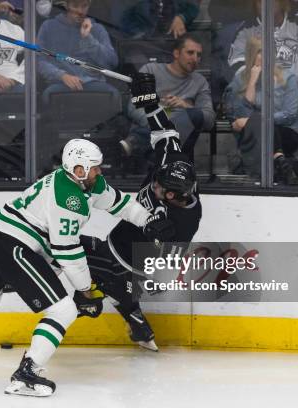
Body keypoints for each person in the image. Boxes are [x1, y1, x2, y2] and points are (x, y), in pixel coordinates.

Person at [0, 138, 168, 397]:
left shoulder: (80, 181)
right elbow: (67, 253)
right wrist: (85, 291)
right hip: (14, 247)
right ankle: (27, 374)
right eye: (95, 167)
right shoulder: (67, 200)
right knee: (63, 310)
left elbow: (119, 203)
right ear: (79, 170)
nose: (100, 171)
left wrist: (147, 220)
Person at [83, 72, 201, 351]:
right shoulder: (174, 163)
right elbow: (166, 133)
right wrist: (150, 103)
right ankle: (134, 318)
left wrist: (142, 278)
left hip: (137, 261)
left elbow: (163, 272)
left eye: (159, 187)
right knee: (103, 274)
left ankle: (115, 303)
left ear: (172, 197)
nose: (154, 183)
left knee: (73, 251)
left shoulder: (182, 224)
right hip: (119, 239)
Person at [225, 36, 298, 185]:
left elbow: (289, 115)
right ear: (251, 54)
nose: (265, 56)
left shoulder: (287, 77)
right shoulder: (239, 79)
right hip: (255, 136)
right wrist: (252, 82)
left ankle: (272, 163)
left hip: (287, 131)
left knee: (261, 124)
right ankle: (280, 162)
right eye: (260, 52)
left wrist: (258, 120)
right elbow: (239, 117)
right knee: (259, 127)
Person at [124, 33, 214, 162]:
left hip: (175, 143)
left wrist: (185, 105)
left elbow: (209, 119)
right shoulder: (150, 70)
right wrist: (162, 120)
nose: (195, 59)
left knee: (195, 114)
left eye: (198, 55)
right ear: (176, 54)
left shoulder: (200, 82)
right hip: (158, 136)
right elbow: (133, 108)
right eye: (190, 53)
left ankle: (139, 140)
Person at [228, 0, 298, 94]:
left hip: (296, 76)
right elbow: (236, 61)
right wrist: (259, 78)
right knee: (235, 89)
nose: (265, 4)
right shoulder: (247, 28)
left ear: (283, 2)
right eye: (260, 1)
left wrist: (285, 76)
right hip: (260, 80)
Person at [37, 0, 120, 106]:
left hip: (94, 83)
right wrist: (61, 75)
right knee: (49, 96)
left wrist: (88, 38)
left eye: (84, 6)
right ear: (66, 6)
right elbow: (40, 61)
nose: (80, 11)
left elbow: (111, 63)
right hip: (60, 83)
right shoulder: (48, 26)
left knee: (114, 95)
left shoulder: (97, 29)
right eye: (75, 6)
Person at [117, 0, 201, 40]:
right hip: (142, 45)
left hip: (173, 43)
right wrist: (140, 34)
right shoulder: (136, 4)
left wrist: (182, 18)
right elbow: (123, 18)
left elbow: (194, 6)